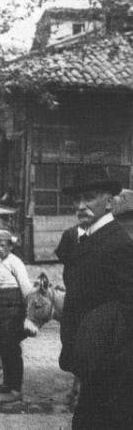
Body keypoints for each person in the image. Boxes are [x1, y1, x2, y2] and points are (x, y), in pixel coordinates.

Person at [58, 169, 133, 429]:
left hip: (113, 370)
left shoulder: (117, 244)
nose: (80, 206)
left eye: (89, 198)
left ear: (110, 202)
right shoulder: (86, 239)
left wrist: (110, 359)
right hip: (92, 364)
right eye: (76, 199)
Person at [0, 230, 32, 401]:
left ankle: (16, 390)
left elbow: (26, 289)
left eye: (3, 246)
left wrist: (27, 314)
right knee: (3, 346)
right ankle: (7, 382)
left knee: (12, 348)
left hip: (12, 312)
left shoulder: (16, 262)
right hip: (0, 311)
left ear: (11, 246)